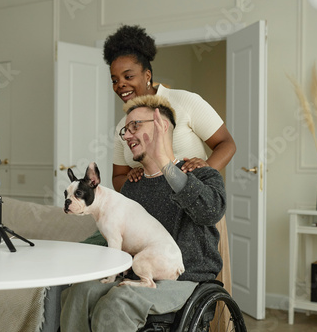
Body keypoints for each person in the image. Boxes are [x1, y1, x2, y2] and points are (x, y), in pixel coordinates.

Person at [60, 95, 226, 331]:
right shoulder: (133, 185)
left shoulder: (201, 174)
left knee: (116, 305)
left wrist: (166, 164)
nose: (127, 136)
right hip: (136, 270)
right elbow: (114, 232)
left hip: (187, 277)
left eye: (135, 126)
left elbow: (211, 212)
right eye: (124, 130)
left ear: (162, 126)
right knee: (78, 293)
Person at [104, 24, 234, 297]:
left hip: (193, 212)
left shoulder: (184, 102)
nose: (121, 85)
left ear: (147, 74)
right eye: (115, 79)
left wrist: (203, 171)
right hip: (149, 218)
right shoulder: (123, 127)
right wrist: (132, 178)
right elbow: (118, 177)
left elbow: (227, 144)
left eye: (128, 76)